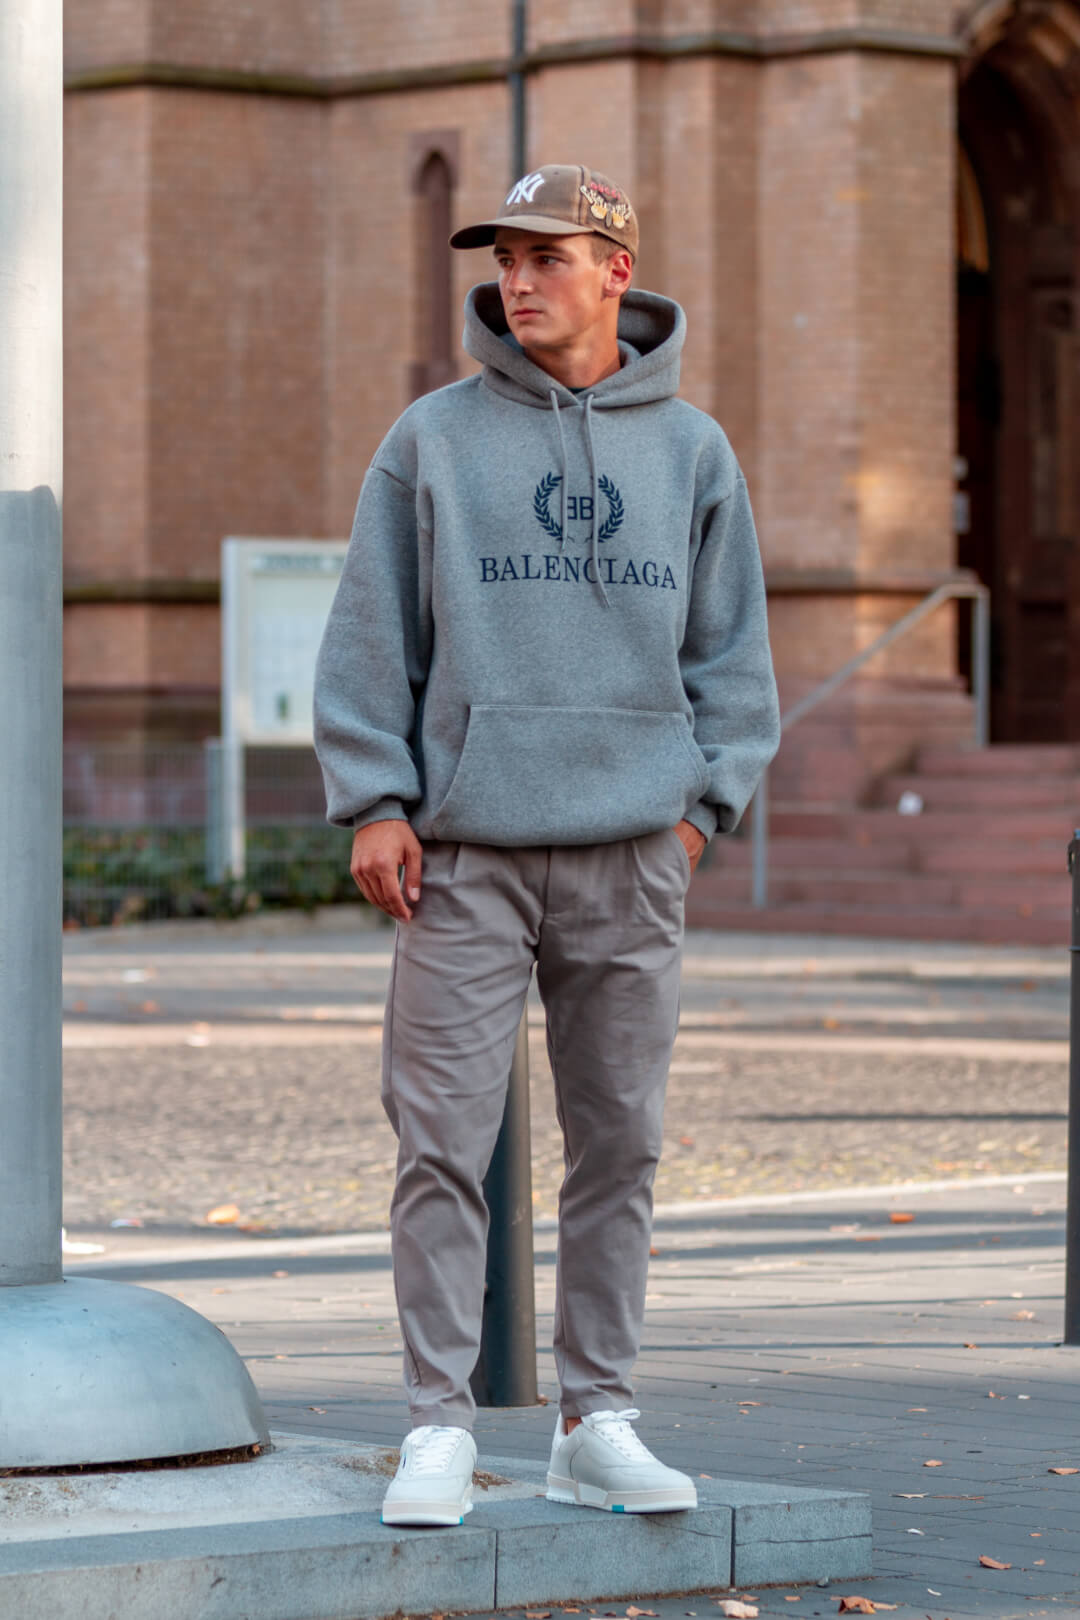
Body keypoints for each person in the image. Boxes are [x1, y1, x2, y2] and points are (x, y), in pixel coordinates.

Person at [313, 163, 780, 1529]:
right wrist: (375, 799)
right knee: (438, 1141)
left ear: (616, 271)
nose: (517, 281)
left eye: (548, 256)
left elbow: (732, 661)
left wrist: (700, 813)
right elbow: (371, 632)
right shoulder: (434, 440)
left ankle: (598, 1416)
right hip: (464, 853)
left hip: (633, 848)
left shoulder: (692, 452)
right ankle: (437, 1424)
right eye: (505, 257)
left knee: (620, 1142)